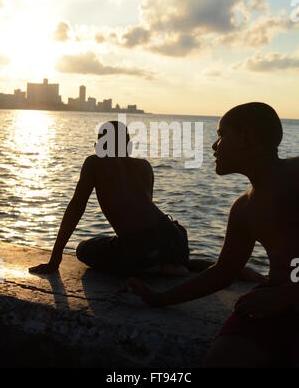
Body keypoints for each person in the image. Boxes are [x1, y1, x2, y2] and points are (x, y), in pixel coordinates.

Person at [122, 103, 299, 367]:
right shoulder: (243, 209)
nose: (214, 146)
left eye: (221, 135)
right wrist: (157, 298)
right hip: (271, 302)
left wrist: (287, 295)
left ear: (247, 136)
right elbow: (223, 272)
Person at [29, 120, 261, 280]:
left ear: (100, 145)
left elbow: (76, 208)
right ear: (128, 146)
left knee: (83, 249)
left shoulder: (95, 162)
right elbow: (141, 214)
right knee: (174, 257)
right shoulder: (144, 166)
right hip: (174, 235)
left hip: (143, 246)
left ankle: (154, 266)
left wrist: (55, 257)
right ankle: (244, 273)